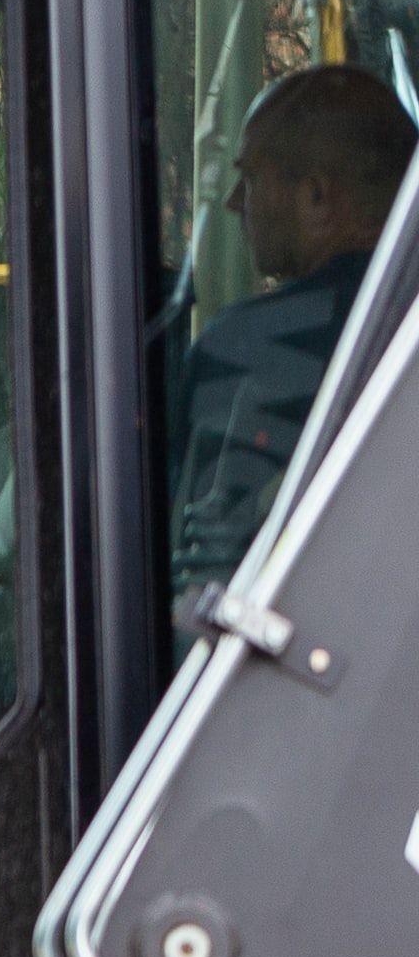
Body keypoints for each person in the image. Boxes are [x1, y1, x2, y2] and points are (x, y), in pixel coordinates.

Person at [171, 63, 419, 601]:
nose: (237, 201)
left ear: (317, 198)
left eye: (254, 177)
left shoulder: (247, 349)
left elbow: (200, 585)